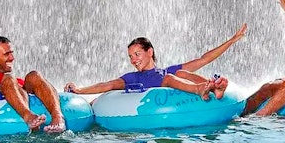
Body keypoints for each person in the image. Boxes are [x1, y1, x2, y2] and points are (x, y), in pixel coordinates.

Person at [65, 24, 247, 100]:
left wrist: (232, 40)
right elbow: (107, 85)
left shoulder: (169, 71)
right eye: (130, 56)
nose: (133, 60)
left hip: (180, 82)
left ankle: (213, 87)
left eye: (137, 54)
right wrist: (80, 90)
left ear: (149, 52)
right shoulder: (132, 78)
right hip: (152, 105)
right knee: (170, 78)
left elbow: (204, 59)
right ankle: (204, 88)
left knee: (179, 74)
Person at [0, 36, 66, 133]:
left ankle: (58, 117)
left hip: (18, 89)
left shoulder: (17, 81)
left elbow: (49, 90)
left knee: (34, 75)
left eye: (12, 53)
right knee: (9, 79)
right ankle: (29, 117)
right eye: (6, 54)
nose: (12, 58)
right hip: (5, 119)